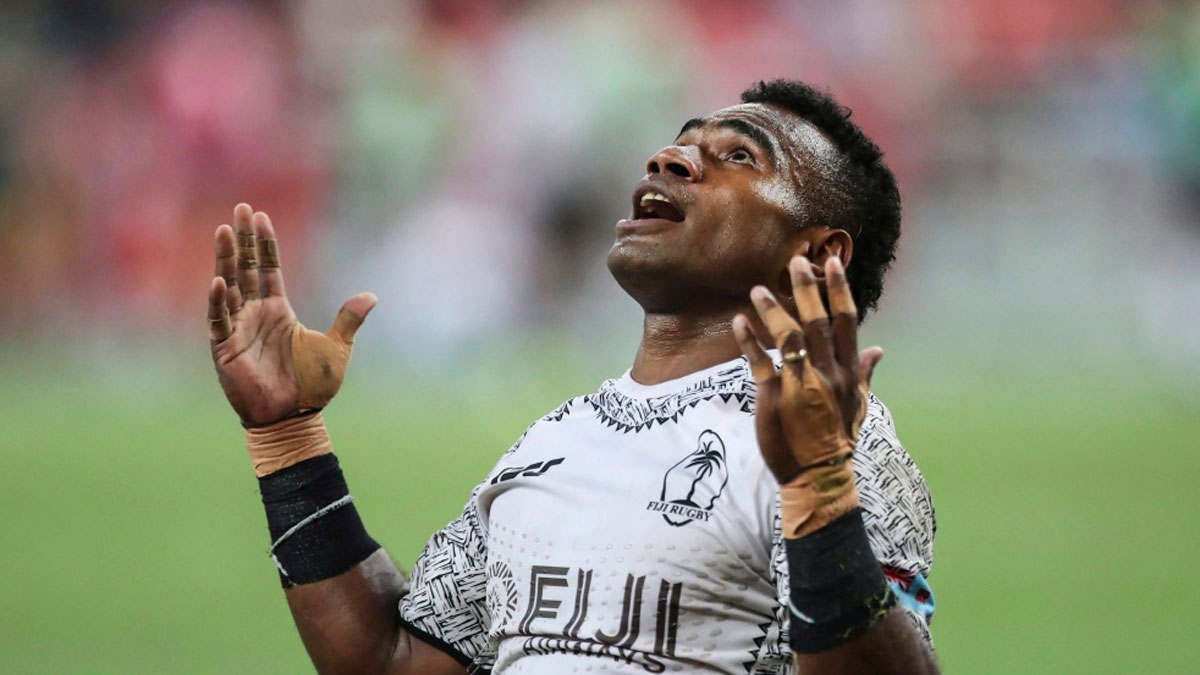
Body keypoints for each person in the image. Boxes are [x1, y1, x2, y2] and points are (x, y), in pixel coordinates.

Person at [206, 79, 939, 674]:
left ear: (818, 255)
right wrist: (287, 438)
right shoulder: (557, 440)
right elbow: (394, 662)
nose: (669, 159)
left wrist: (819, 491)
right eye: (680, 144)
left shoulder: (837, 440)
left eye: (740, 157)